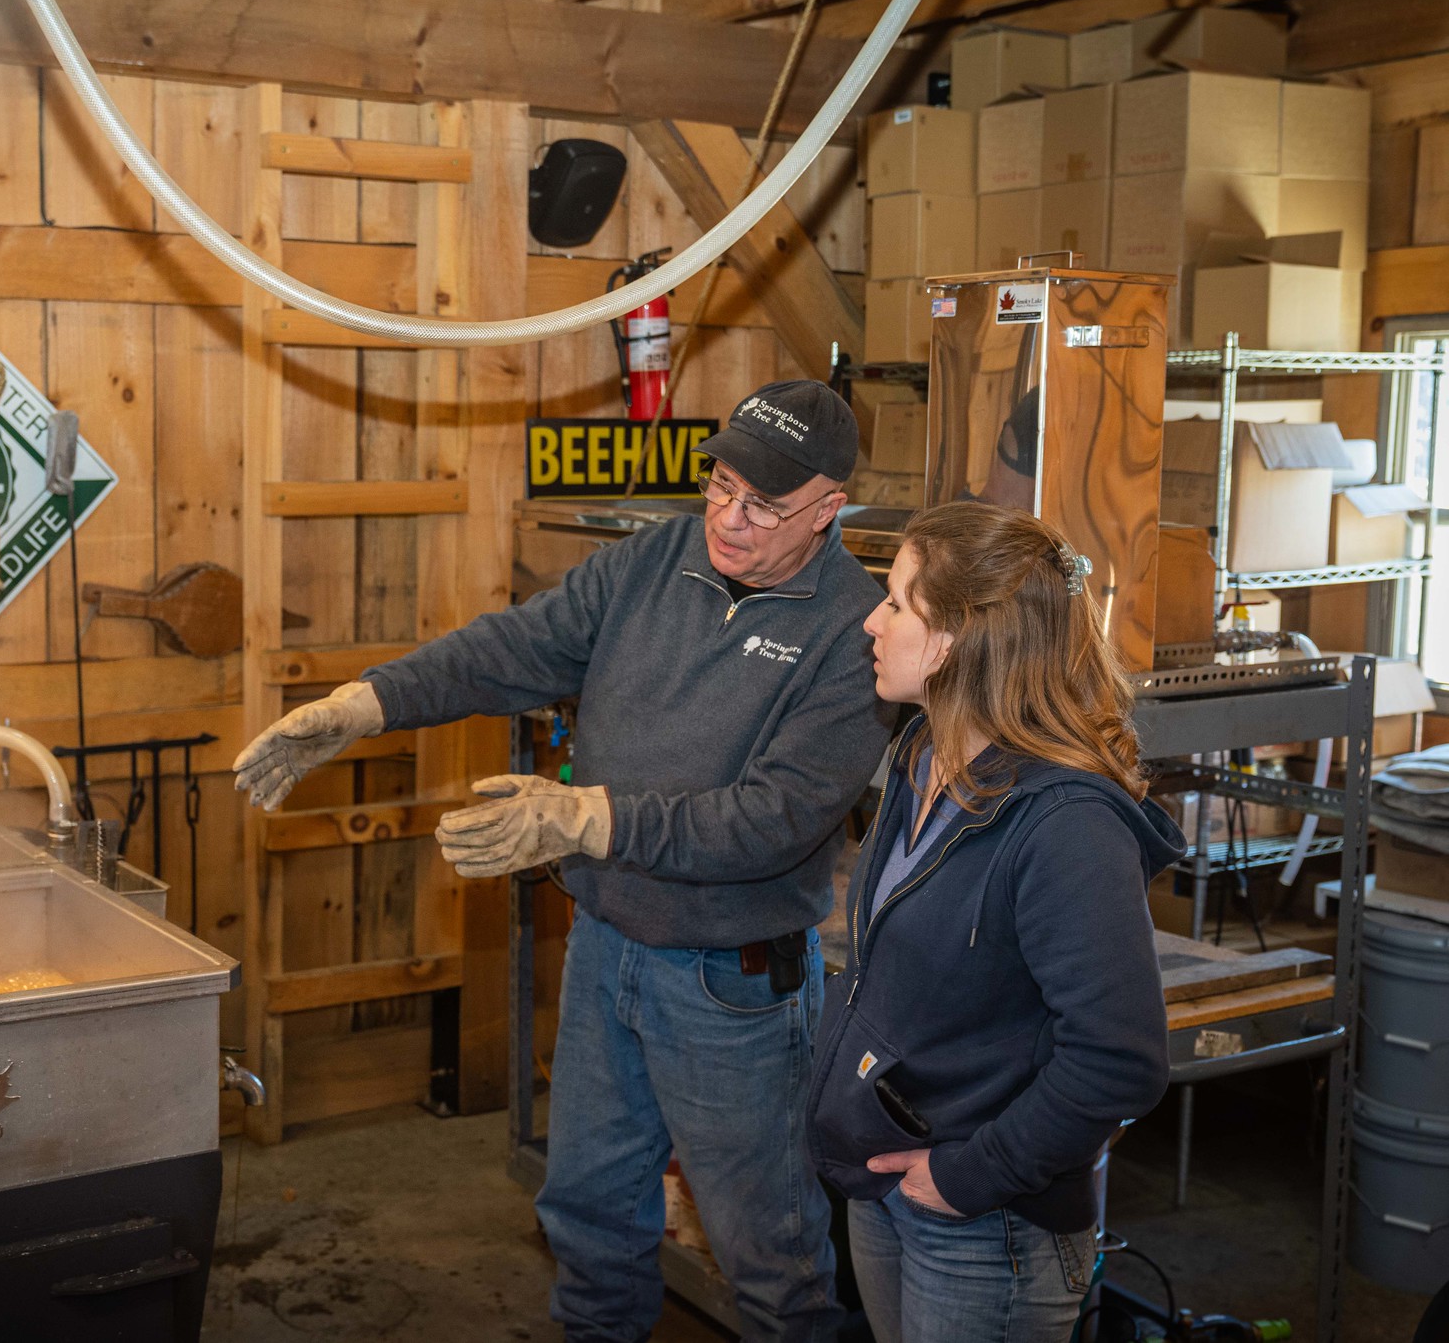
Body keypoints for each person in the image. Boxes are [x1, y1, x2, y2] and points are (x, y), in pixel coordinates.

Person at [234, 380, 895, 1343]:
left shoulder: (851, 629)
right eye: (720, 484)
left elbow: (772, 821)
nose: (730, 518)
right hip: (605, 951)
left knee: (773, 1263)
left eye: (764, 503)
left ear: (828, 508)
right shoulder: (661, 556)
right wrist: (367, 702)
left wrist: (589, 819)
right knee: (587, 1221)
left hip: (732, 987)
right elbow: (516, 646)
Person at [806, 502, 1182, 1343]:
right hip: (887, 1182)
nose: (871, 618)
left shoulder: (1065, 827)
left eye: (897, 602)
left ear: (953, 642)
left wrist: (970, 1174)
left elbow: (1119, 1061)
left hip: (987, 1225)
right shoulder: (920, 757)